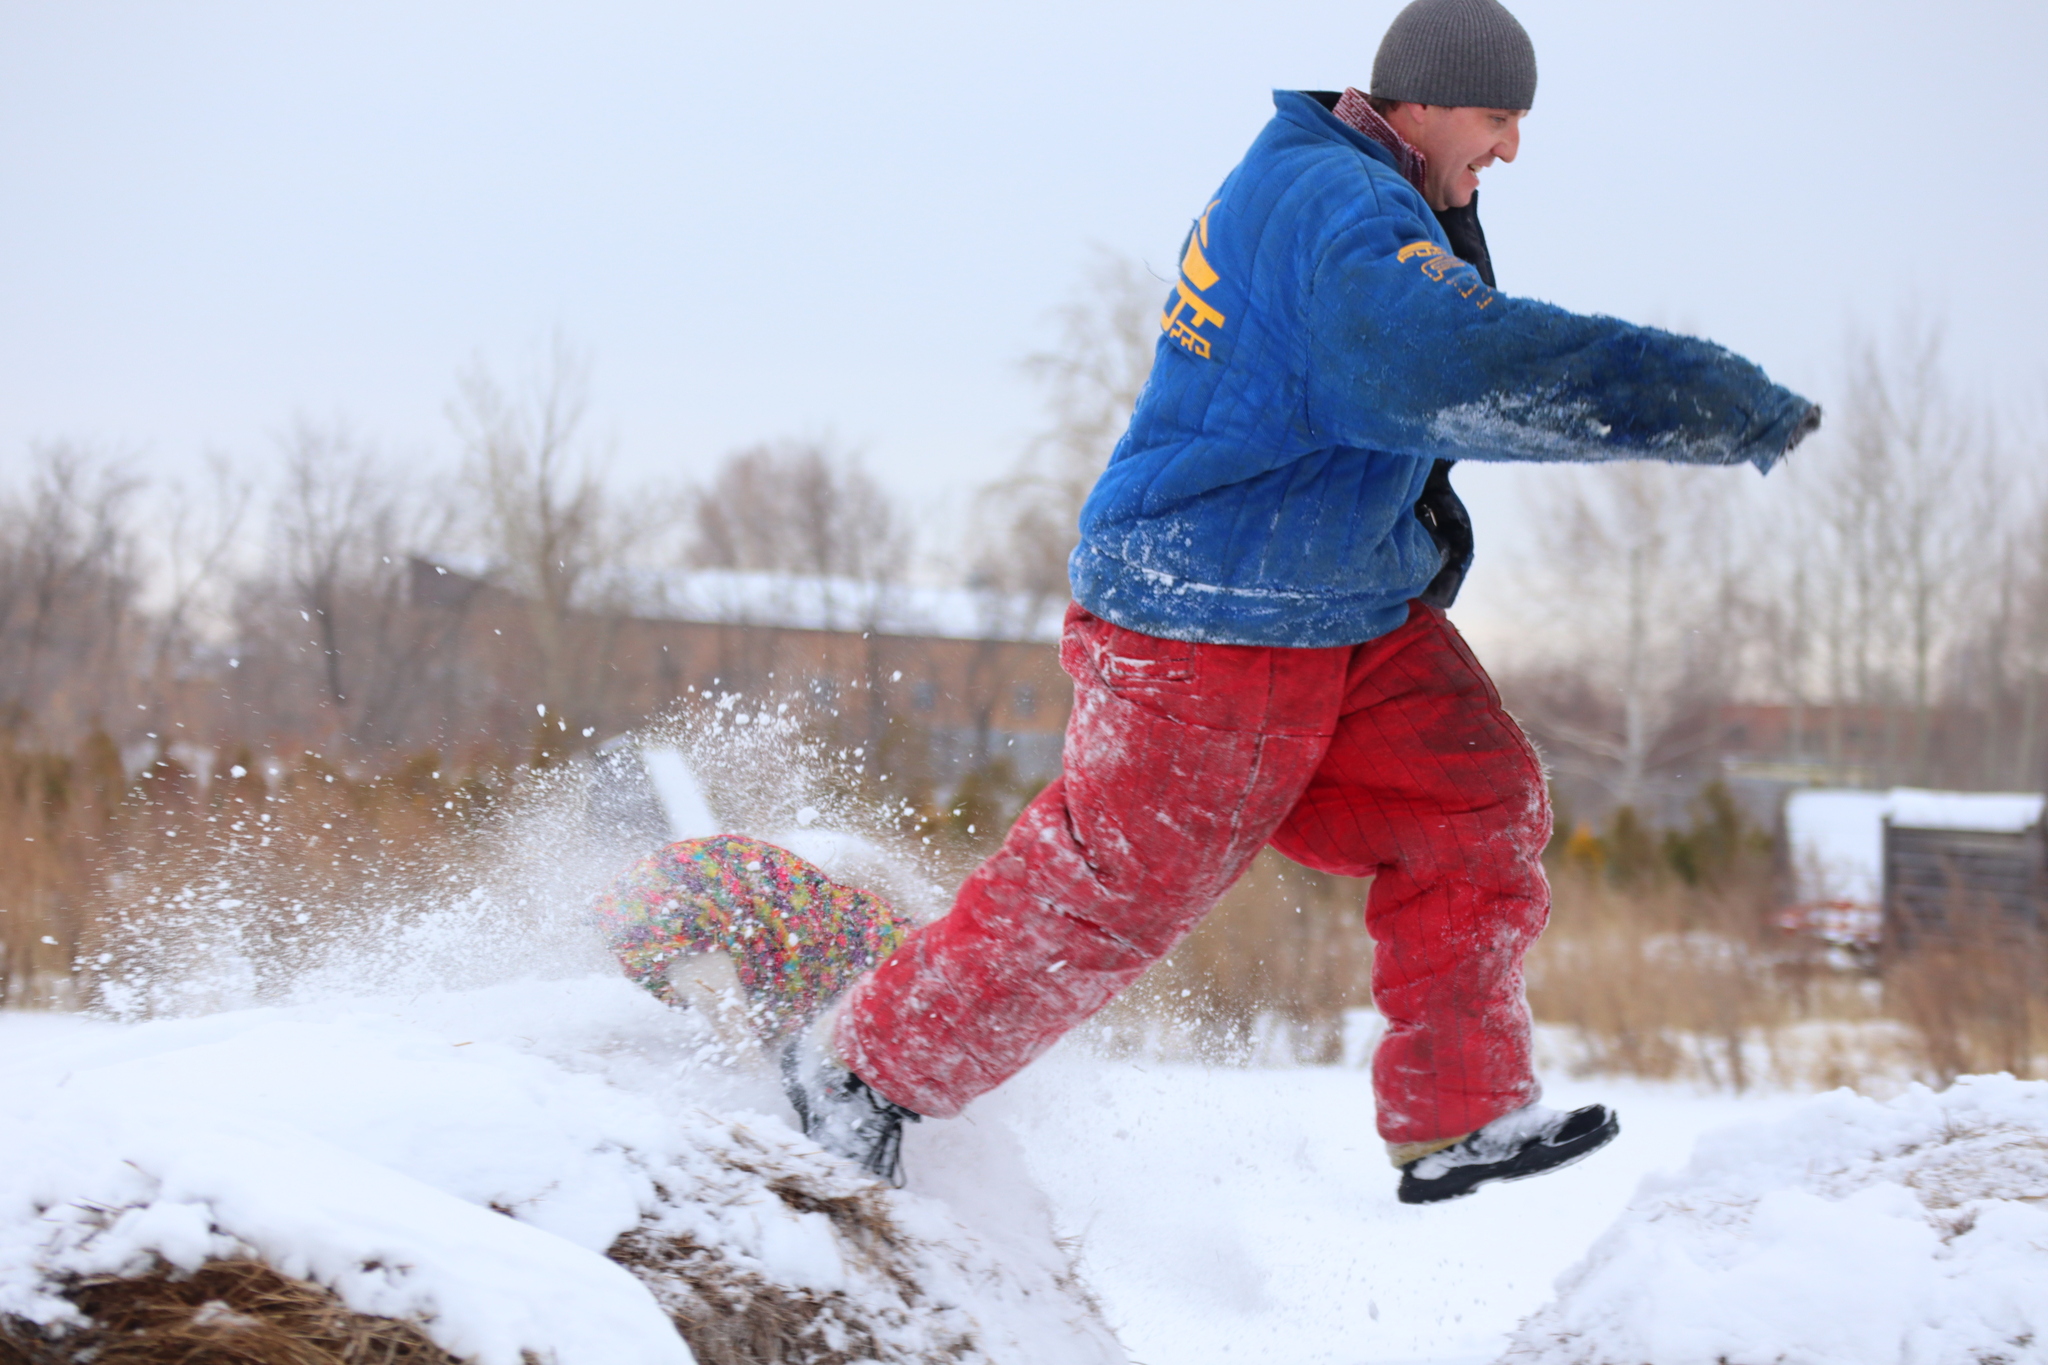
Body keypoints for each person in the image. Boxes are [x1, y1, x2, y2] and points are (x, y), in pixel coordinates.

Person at [625, 0, 1819, 1204]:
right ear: (1415, 102)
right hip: (1215, 611)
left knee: (1470, 800)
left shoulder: (1356, 190)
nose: (1509, 147)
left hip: (1333, 598)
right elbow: (1449, 364)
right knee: (1115, 889)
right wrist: (1708, 400)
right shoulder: (1337, 211)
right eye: (1495, 117)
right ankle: (859, 1067)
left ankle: (1456, 1110)